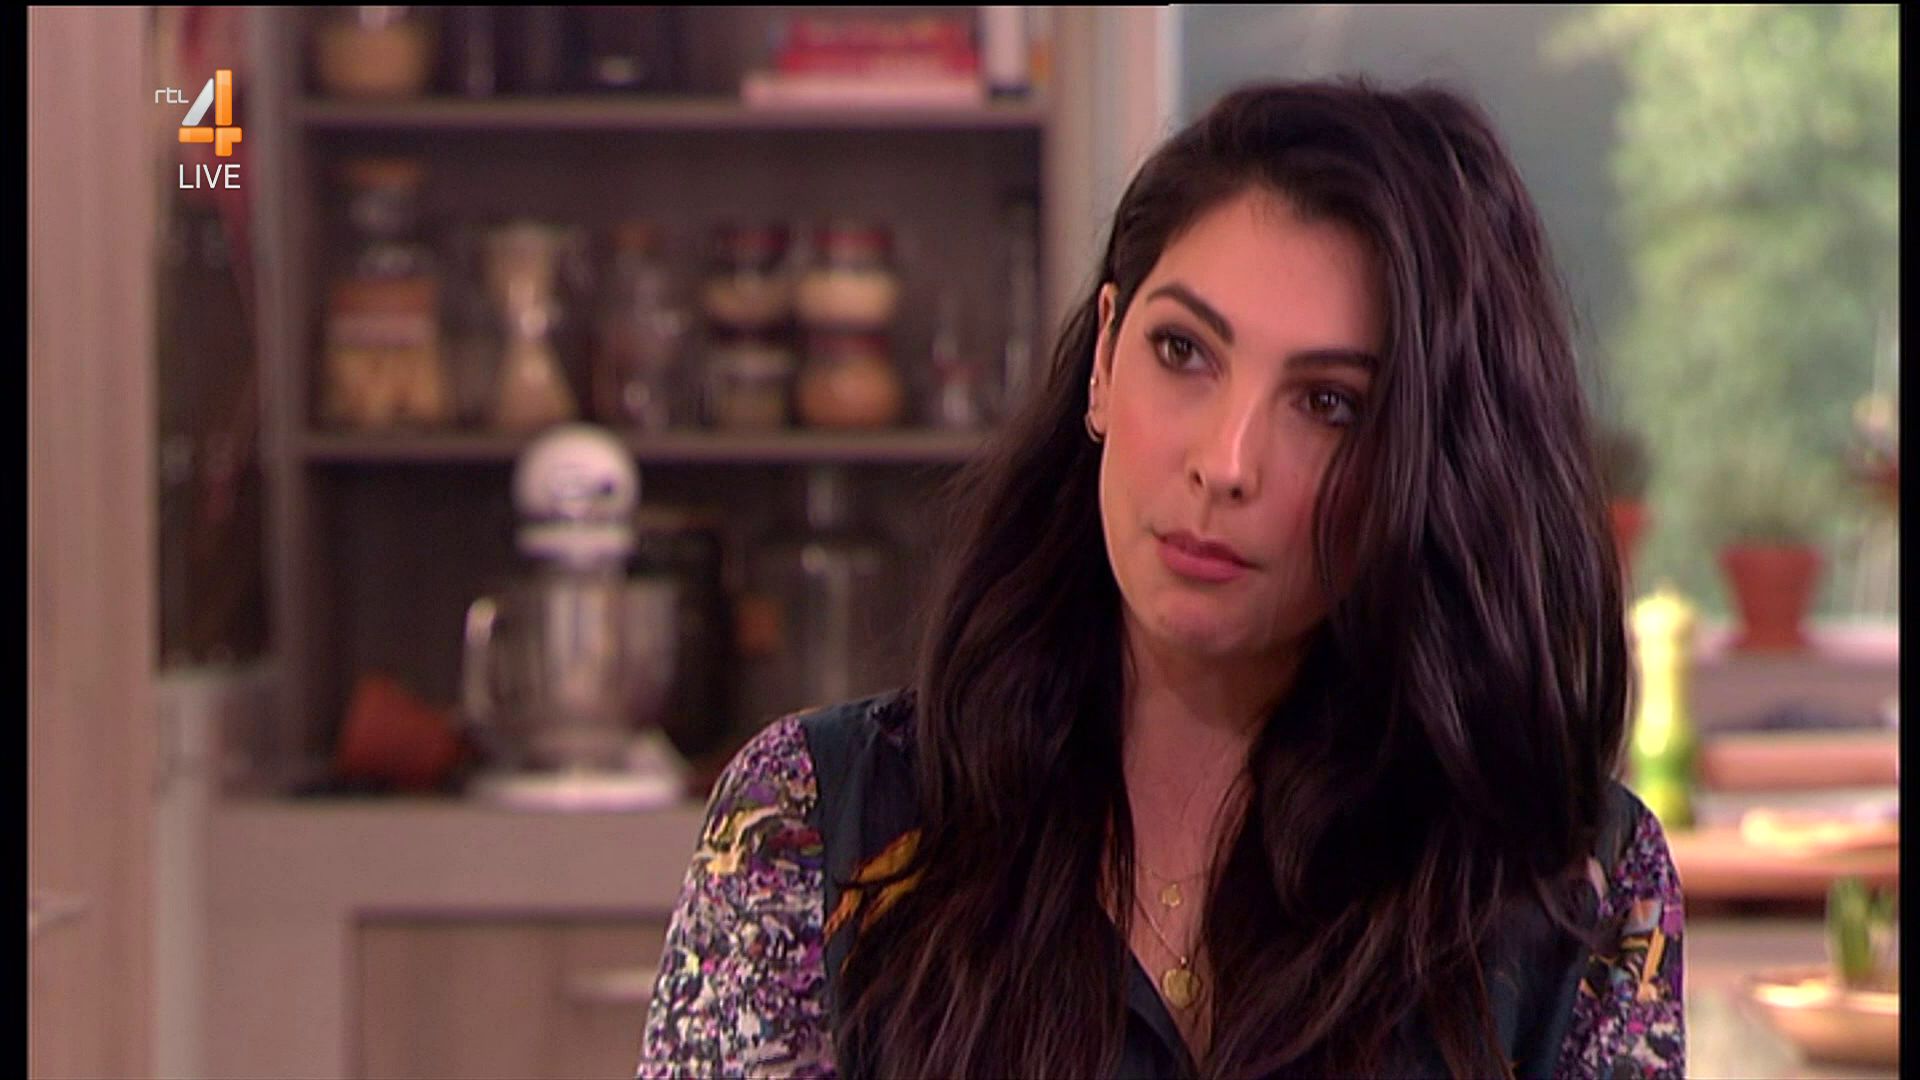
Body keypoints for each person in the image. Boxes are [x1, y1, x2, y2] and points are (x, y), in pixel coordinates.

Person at [636, 78, 1684, 1080]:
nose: (1226, 463)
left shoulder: (1571, 891)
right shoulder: (813, 822)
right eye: (1184, 351)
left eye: (1329, 405)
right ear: (1103, 357)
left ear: (1428, 461)